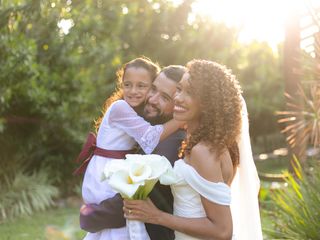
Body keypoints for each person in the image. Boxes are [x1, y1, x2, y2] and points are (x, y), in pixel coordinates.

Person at [123, 59, 263, 239]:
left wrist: (156, 216)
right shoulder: (208, 144)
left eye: (190, 93)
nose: (178, 98)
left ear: (208, 103)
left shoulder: (203, 151)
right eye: (179, 89)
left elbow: (222, 230)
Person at [78, 58, 184, 240]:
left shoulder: (170, 143)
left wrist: (90, 217)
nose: (151, 98)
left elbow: (127, 202)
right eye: (153, 89)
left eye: (165, 97)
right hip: (106, 181)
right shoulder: (129, 112)